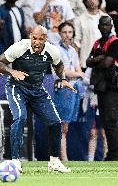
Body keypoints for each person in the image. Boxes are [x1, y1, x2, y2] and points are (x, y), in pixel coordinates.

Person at [0, 25, 75, 173]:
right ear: (30, 36)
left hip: (37, 90)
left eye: (40, 39)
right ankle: (14, 160)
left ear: (46, 39)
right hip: (16, 87)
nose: (36, 42)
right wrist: (12, 71)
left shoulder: (53, 51)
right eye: (34, 38)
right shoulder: (19, 47)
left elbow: (59, 65)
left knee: (56, 123)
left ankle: (54, 162)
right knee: (20, 117)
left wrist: (62, 78)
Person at [86, 16, 118, 161]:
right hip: (101, 86)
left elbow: (107, 63)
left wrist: (98, 59)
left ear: (111, 26)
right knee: (105, 122)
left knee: (110, 121)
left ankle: (116, 155)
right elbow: (87, 61)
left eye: (107, 25)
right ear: (98, 26)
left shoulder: (115, 42)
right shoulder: (97, 42)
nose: (104, 27)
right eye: (102, 25)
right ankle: (111, 154)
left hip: (113, 86)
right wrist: (100, 58)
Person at [52, 22, 84, 161]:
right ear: (60, 34)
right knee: (62, 124)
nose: (67, 35)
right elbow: (62, 72)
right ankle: (62, 158)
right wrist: (80, 75)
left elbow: (78, 69)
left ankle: (62, 157)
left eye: (70, 32)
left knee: (66, 126)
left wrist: (78, 74)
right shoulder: (55, 50)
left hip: (74, 88)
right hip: (62, 88)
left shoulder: (72, 50)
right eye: (64, 32)